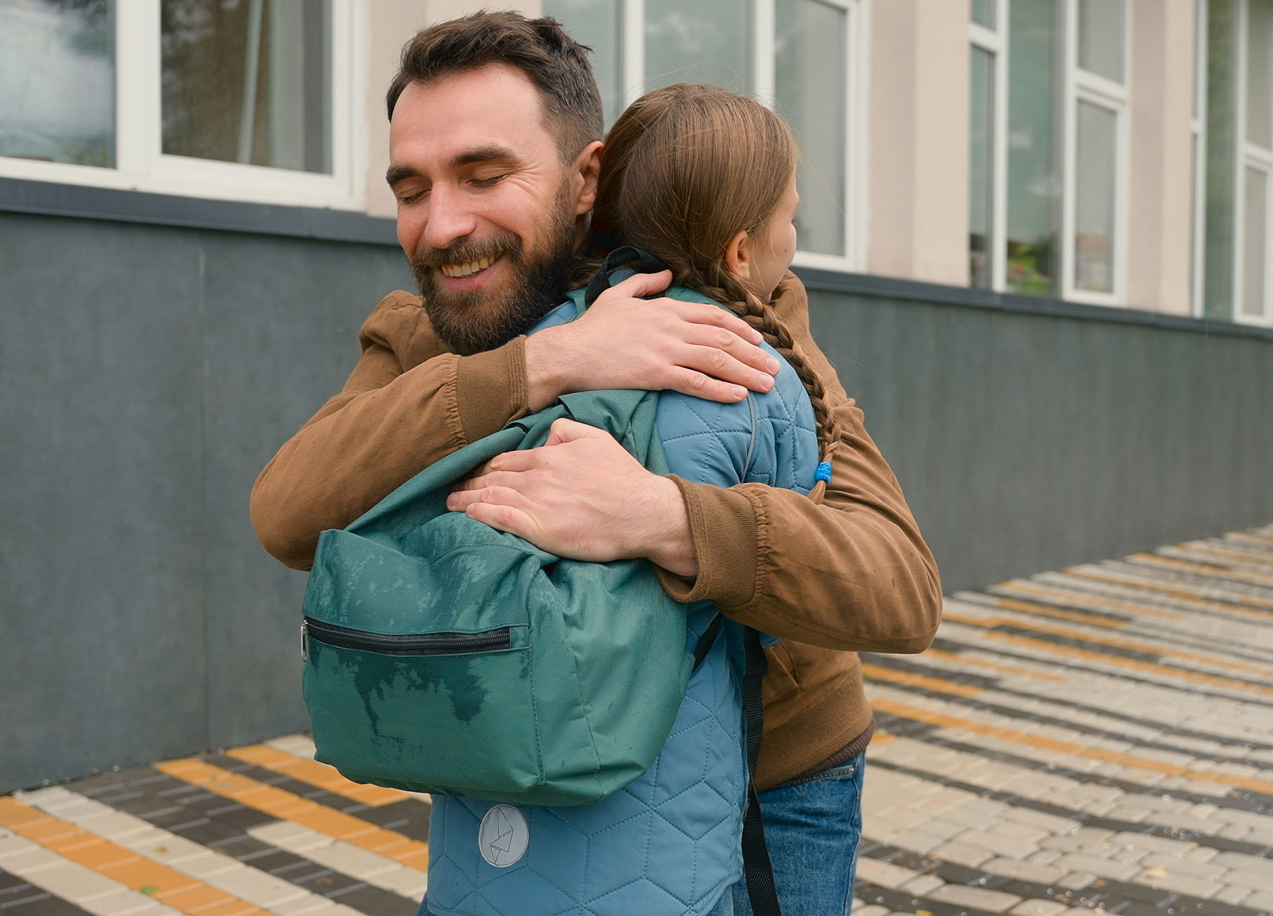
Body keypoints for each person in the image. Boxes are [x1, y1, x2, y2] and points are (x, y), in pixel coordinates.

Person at [250, 12, 941, 915]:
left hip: (769, 790)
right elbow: (287, 512)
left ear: (587, 177)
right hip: (521, 750)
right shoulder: (434, 331)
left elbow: (899, 586)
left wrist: (664, 518)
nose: (442, 224)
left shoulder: (735, 311)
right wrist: (544, 364)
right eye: (410, 188)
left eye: (484, 174)